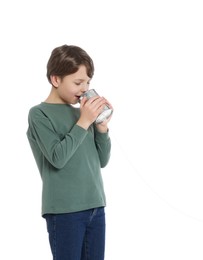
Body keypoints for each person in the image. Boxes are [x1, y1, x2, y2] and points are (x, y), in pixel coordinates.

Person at [26, 44, 113, 260]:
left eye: (87, 82)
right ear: (56, 80)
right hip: (65, 210)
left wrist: (101, 129)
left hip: (95, 205)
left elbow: (102, 160)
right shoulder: (39, 115)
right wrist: (84, 121)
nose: (84, 88)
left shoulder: (83, 115)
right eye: (77, 82)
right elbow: (57, 158)